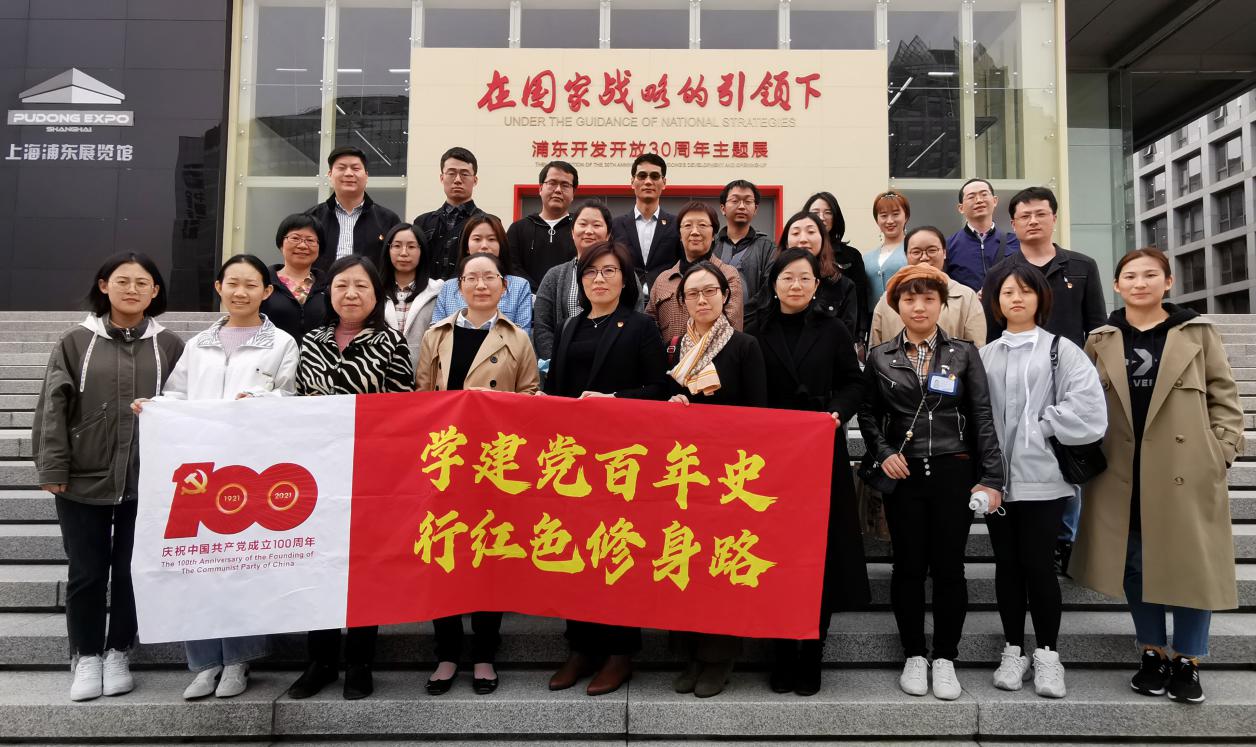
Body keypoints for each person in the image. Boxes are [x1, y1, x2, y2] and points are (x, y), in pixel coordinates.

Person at [1072, 248, 1243, 706]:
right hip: (1121, 468)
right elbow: (1084, 401)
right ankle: (1152, 651)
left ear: (1168, 282)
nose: (1140, 282)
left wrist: (1221, 452)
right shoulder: (1101, 339)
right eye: (1130, 276)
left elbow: (1225, 396)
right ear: (1116, 285)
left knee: (1192, 561)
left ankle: (1188, 659)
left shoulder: (1197, 333)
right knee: (1134, 560)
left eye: (1150, 275)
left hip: (1185, 467)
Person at [132, 255, 299, 700]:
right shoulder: (199, 344)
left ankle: (239, 661)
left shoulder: (282, 343)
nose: (241, 292)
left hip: (251, 470)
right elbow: (177, 394)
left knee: (241, 564)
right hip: (199, 470)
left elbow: (290, 396)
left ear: (267, 291)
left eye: (251, 284)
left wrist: (260, 401)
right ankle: (205, 664)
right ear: (219, 287)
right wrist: (154, 406)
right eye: (233, 283)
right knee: (197, 566)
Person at [33, 252, 185, 701]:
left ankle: (118, 650)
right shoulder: (75, 341)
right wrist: (53, 466)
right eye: (122, 281)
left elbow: (187, 404)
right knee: (86, 571)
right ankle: (86, 655)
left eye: (142, 282)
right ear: (104, 285)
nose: (132, 289)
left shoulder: (170, 345)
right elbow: (53, 406)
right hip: (84, 476)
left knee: (131, 570)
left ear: (155, 291)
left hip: (148, 479)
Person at [859, 263, 1003, 702]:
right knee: (906, 567)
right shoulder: (880, 356)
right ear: (895, 305)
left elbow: (981, 414)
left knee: (949, 567)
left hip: (952, 468)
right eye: (909, 299)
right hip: (903, 472)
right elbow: (867, 414)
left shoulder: (964, 353)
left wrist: (991, 476)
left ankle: (944, 657)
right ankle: (913, 655)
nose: (919, 306)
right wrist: (884, 453)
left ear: (942, 304)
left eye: (928, 299)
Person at [287, 255, 415, 701]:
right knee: (319, 563)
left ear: (376, 295)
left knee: (365, 568)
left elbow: (403, 410)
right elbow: (297, 403)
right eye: (342, 286)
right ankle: (320, 661)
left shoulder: (392, 343)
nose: (351, 294)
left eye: (361, 286)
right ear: (329, 293)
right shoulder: (311, 341)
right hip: (318, 473)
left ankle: (360, 662)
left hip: (371, 475)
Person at [545, 241, 669, 697]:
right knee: (576, 555)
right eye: (591, 271)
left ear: (625, 279)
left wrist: (614, 401)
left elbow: (659, 388)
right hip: (574, 461)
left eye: (609, 271)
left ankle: (619, 653)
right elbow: (557, 391)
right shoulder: (570, 326)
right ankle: (580, 646)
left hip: (622, 462)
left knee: (616, 553)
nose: (599, 279)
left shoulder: (640, 327)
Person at [978, 262, 1106, 700]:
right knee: (1007, 565)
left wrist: (1042, 425)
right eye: (1007, 292)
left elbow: (1089, 407)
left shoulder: (1061, 350)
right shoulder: (985, 355)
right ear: (995, 302)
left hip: (1044, 478)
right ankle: (1013, 649)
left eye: (1025, 291)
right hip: (997, 482)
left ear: (1041, 298)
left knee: (1038, 565)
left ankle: (1048, 654)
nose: (1016, 298)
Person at [415, 251, 538, 696]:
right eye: (472, 278)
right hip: (446, 461)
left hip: (494, 464)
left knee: (489, 557)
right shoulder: (436, 335)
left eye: (490, 278)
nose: (481, 285)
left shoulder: (517, 338)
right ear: (459, 286)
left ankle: (484, 653)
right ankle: (447, 653)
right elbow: (421, 396)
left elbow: (530, 396)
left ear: (504, 286)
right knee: (444, 554)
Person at [747, 249, 868, 697]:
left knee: (818, 555)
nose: (795, 285)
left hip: (820, 449)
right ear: (773, 283)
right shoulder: (755, 329)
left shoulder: (833, 329)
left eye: (804, 278)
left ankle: (812, 651)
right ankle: (782, 653)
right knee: (773, 554)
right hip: (769, 457)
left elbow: (854, 383)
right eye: (787, 277)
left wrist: (836, 413)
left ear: (817, 286)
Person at [981, 186, 1106, 573]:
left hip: (1067, 380)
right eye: (1024, 216)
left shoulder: (1082, 265)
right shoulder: (1000, 273)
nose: (1033, 221)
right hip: (1016, 383)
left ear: (1054, 217)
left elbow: (1096, 328)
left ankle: (1065, 540)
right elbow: (993, 332)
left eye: (1040, 214)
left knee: (1065, 463)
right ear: (1013, 223)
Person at [662, 261, 767, 697]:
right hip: (684, 473)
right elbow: (661, 399)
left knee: (720, 567)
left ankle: (719, 659)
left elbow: (758, 412)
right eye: (693, 293)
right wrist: (673, 404)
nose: (701, 300)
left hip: (727, 474)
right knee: (685, 560)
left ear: (726, 296)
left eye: (710, 291)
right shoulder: (674, 347)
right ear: (682, 301)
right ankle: (690, 654)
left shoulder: (744, 346)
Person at [533, 200, 637, 364]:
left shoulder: (622, 272)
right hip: (565, 364)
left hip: (615, 362)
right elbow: (542, 326)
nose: (589, 231)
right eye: (582, 224)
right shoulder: (554, 276)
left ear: (608, 234)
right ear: (572, 232)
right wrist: (557, 363)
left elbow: (636, 312)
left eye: (596, 225)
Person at [869, 226, 986, 347]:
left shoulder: (966, 297)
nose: (924, 257)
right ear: (906, 255)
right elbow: (875, 350)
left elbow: (977, 349)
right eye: (916, 252)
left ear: (944, 253)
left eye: (932, 250)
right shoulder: (889, 298)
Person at [647, 201, 744, 342]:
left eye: (702, 225)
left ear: (713, 234)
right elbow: (649, 328)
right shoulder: (663, 280)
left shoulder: (728, 275)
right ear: (680, 235)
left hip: (716, 355)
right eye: (687, 225)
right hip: (670, 356)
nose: (694, 232)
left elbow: (733, 329)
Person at [304, 146, 401, 274]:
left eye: (355, 168)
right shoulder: (312, 218)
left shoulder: (388, 220)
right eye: (341, 168)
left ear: (366, 176)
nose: (349, 173)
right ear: (330, 175)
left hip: (370, 287)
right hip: (322, 286)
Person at [762, 211, 858, 339]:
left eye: (811, 232)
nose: (803, 239)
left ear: (823, 239)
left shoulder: (842, 285)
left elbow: (846, 337)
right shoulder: (774, 279)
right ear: (786, 242)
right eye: (796, 233)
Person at [430, 215, 532, 332]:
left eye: (492, 239)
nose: (484, 246)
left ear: (501, 245)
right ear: (467, 246)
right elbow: (436, 332)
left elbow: (523, 335)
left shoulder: (519, 286)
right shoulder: (448, 287)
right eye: (477, 239)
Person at [804, 191, 870, 340]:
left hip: (841, 333)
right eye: (815, 212)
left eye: (828, 212)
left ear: (836, 217)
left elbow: (860, 300)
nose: (821, 217)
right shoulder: (797, 254)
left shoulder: (851, 255)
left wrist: (860, 335)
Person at [413, 146, 486, 280]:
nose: (457, 180)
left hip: (471, 290)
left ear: (475, 180)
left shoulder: (488, 223)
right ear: (442, 178)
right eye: (451, 173)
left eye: (464, 174)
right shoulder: (422, 222)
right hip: (427, 291)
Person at [379, 223, 443, 367]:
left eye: (411, 246)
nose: (404, 253)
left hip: (424, 372)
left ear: (422, 251)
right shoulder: (373, 291)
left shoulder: (437, 291)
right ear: (388, 249)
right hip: (380, 372)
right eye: (397, 246)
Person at [610, 153, 680, 285]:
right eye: (642, 176)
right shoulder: (615, 225)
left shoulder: (676, 225)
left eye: (655, 176)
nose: (648, 182)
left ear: (664, 183)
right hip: (627, 294)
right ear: (632, 182)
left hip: (665, 294)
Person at [508, 160, 578, 291]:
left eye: (565, 185)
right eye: (552, 183)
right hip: (528, 299)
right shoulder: (518, 229)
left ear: (573, 193)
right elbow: (513, 267)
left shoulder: (581, 228)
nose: (558, 190)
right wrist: (539, 294)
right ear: (540, 189)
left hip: (570, 299)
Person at [262, 213, 330, 342]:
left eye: (310, 240)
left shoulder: (329, 286)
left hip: (317, 354)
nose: (303, 246)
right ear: (281, 243)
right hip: (274, 353)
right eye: (295, 238)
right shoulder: (263, 283)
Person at [945, 178, 1020, 292]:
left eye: (984, 194)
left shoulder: (1016, 242)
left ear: (995, 201)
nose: (979, 200)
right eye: (971, 197)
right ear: (961, 208)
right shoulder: (948, 246)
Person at [712, 179, 775, 296]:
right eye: (735, 201)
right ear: (723, 208)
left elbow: (769, 288)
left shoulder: (767, 247)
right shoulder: (711, 244)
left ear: (755, 209)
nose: (741, 206)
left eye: (748, 201)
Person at [863, 190, 910, 316]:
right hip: (873, 319)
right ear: (877, 220)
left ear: (906, 216)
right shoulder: (866, 258)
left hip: (906, 316)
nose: (889, 221)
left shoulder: (913, 251)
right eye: (883, 215)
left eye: (895, 214)